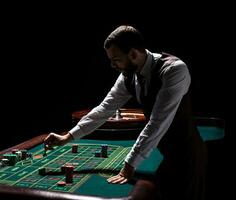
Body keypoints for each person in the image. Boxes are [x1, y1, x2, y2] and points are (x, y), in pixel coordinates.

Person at [44, 25, 207, 200]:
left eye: (116, 59)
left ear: (134, 54)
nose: (112, 65)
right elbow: (104, 109)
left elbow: (157, 122)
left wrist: (130, 163)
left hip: (187, 155)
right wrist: (68, 136)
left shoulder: (174, 70)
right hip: (162, 152)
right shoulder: (128, 75)